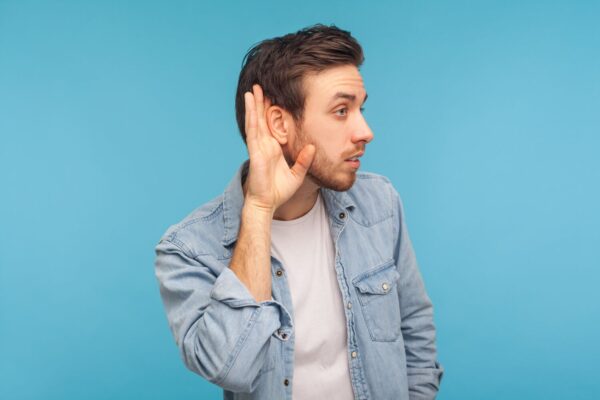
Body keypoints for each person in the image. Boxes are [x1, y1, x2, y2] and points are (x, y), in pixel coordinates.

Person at [154, 23, 443, 400]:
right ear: (279, 124)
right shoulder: (189, 249)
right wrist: (259, 208)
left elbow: (415, 331)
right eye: (341, 110)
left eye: (360, 108)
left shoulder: (380, 203)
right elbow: (230, 368)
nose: (365, 131)